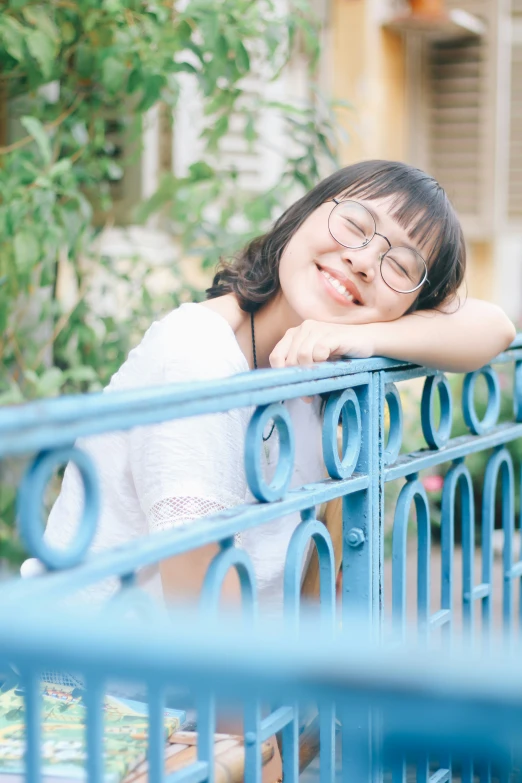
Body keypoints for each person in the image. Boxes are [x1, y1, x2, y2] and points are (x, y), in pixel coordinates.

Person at [21, 160, 516, 612]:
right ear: (303, 215)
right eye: (354, 225)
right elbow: (207, 618)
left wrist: (358, 333)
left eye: (402, 268)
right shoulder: (196, 351)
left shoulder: (326, 364)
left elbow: (494, 327)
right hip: (97, 696)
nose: (364, 261)